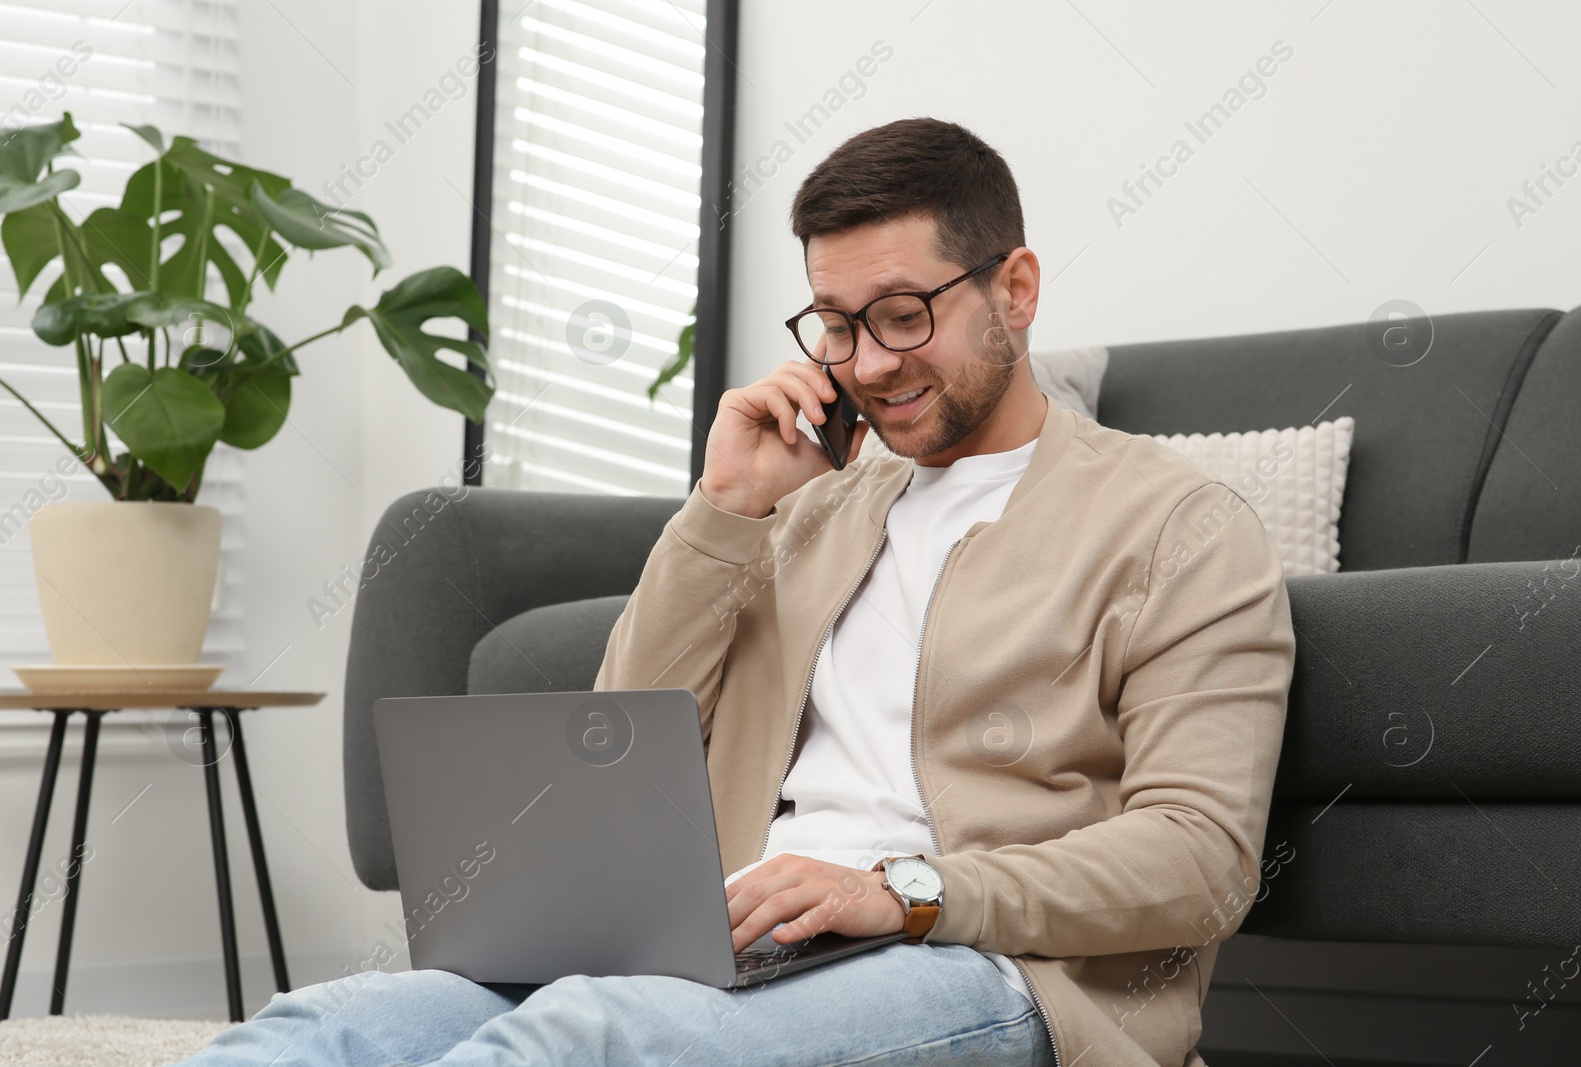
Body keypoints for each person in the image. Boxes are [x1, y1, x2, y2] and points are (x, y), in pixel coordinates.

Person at [177, 117, 1294, 1067]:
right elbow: (616, 735)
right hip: (735, 934)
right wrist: (723, 510)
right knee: (318, 1030)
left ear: (1016, 287)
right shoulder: (813, 507)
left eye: (904, 314)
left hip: (992, 967)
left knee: (581, 1038)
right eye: (836, 324)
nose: (865, 362)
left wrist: (902, 888)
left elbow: (1201, 859)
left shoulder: (1175, 526)